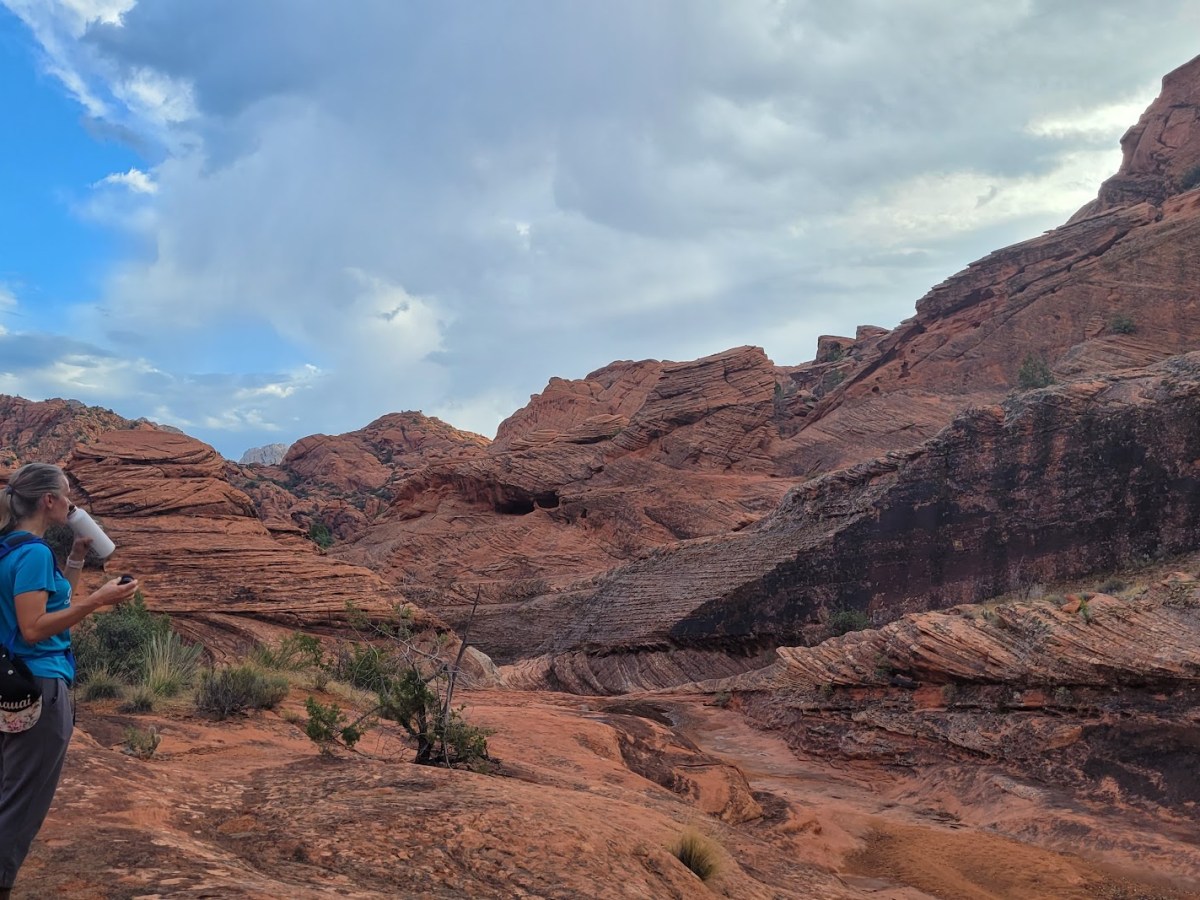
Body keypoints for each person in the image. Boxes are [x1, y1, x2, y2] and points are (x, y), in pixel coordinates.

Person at [0, 463, 139, 898]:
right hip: (38, 686)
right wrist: (99, 600)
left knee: (9, 787)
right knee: (21, 801)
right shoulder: (34, 553)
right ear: (48, 501)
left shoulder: (10, 549)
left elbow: (54, 601)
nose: (69, 500)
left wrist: (77, 559)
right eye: (65, 493)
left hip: (12, 684)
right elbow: (36, 627)